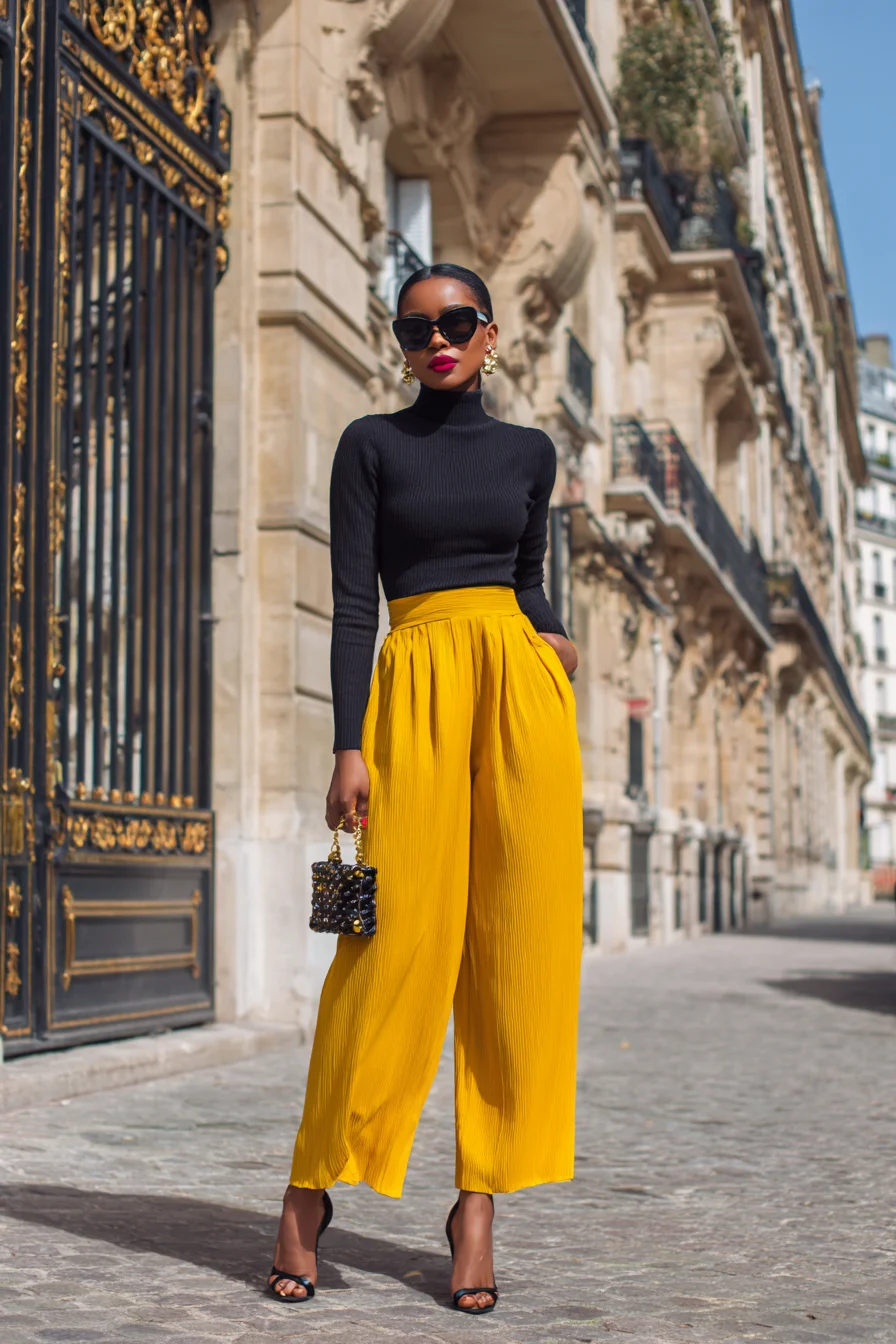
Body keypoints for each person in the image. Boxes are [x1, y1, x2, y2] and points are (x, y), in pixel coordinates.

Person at [267, 263, 584, 1315]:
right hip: (410, 691)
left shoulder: (531, 453)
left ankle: (477, 1202)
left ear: (489, 335)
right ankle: (309, 1189)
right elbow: (352, 602)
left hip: (519, 697)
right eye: (416, 329)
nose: (436, 340)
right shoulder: (370, 444)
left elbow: (522, 571)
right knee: (383, 948)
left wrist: (547, 638)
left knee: (516, 954)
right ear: (399, 343)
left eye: (455, 323)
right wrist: (346, 746)